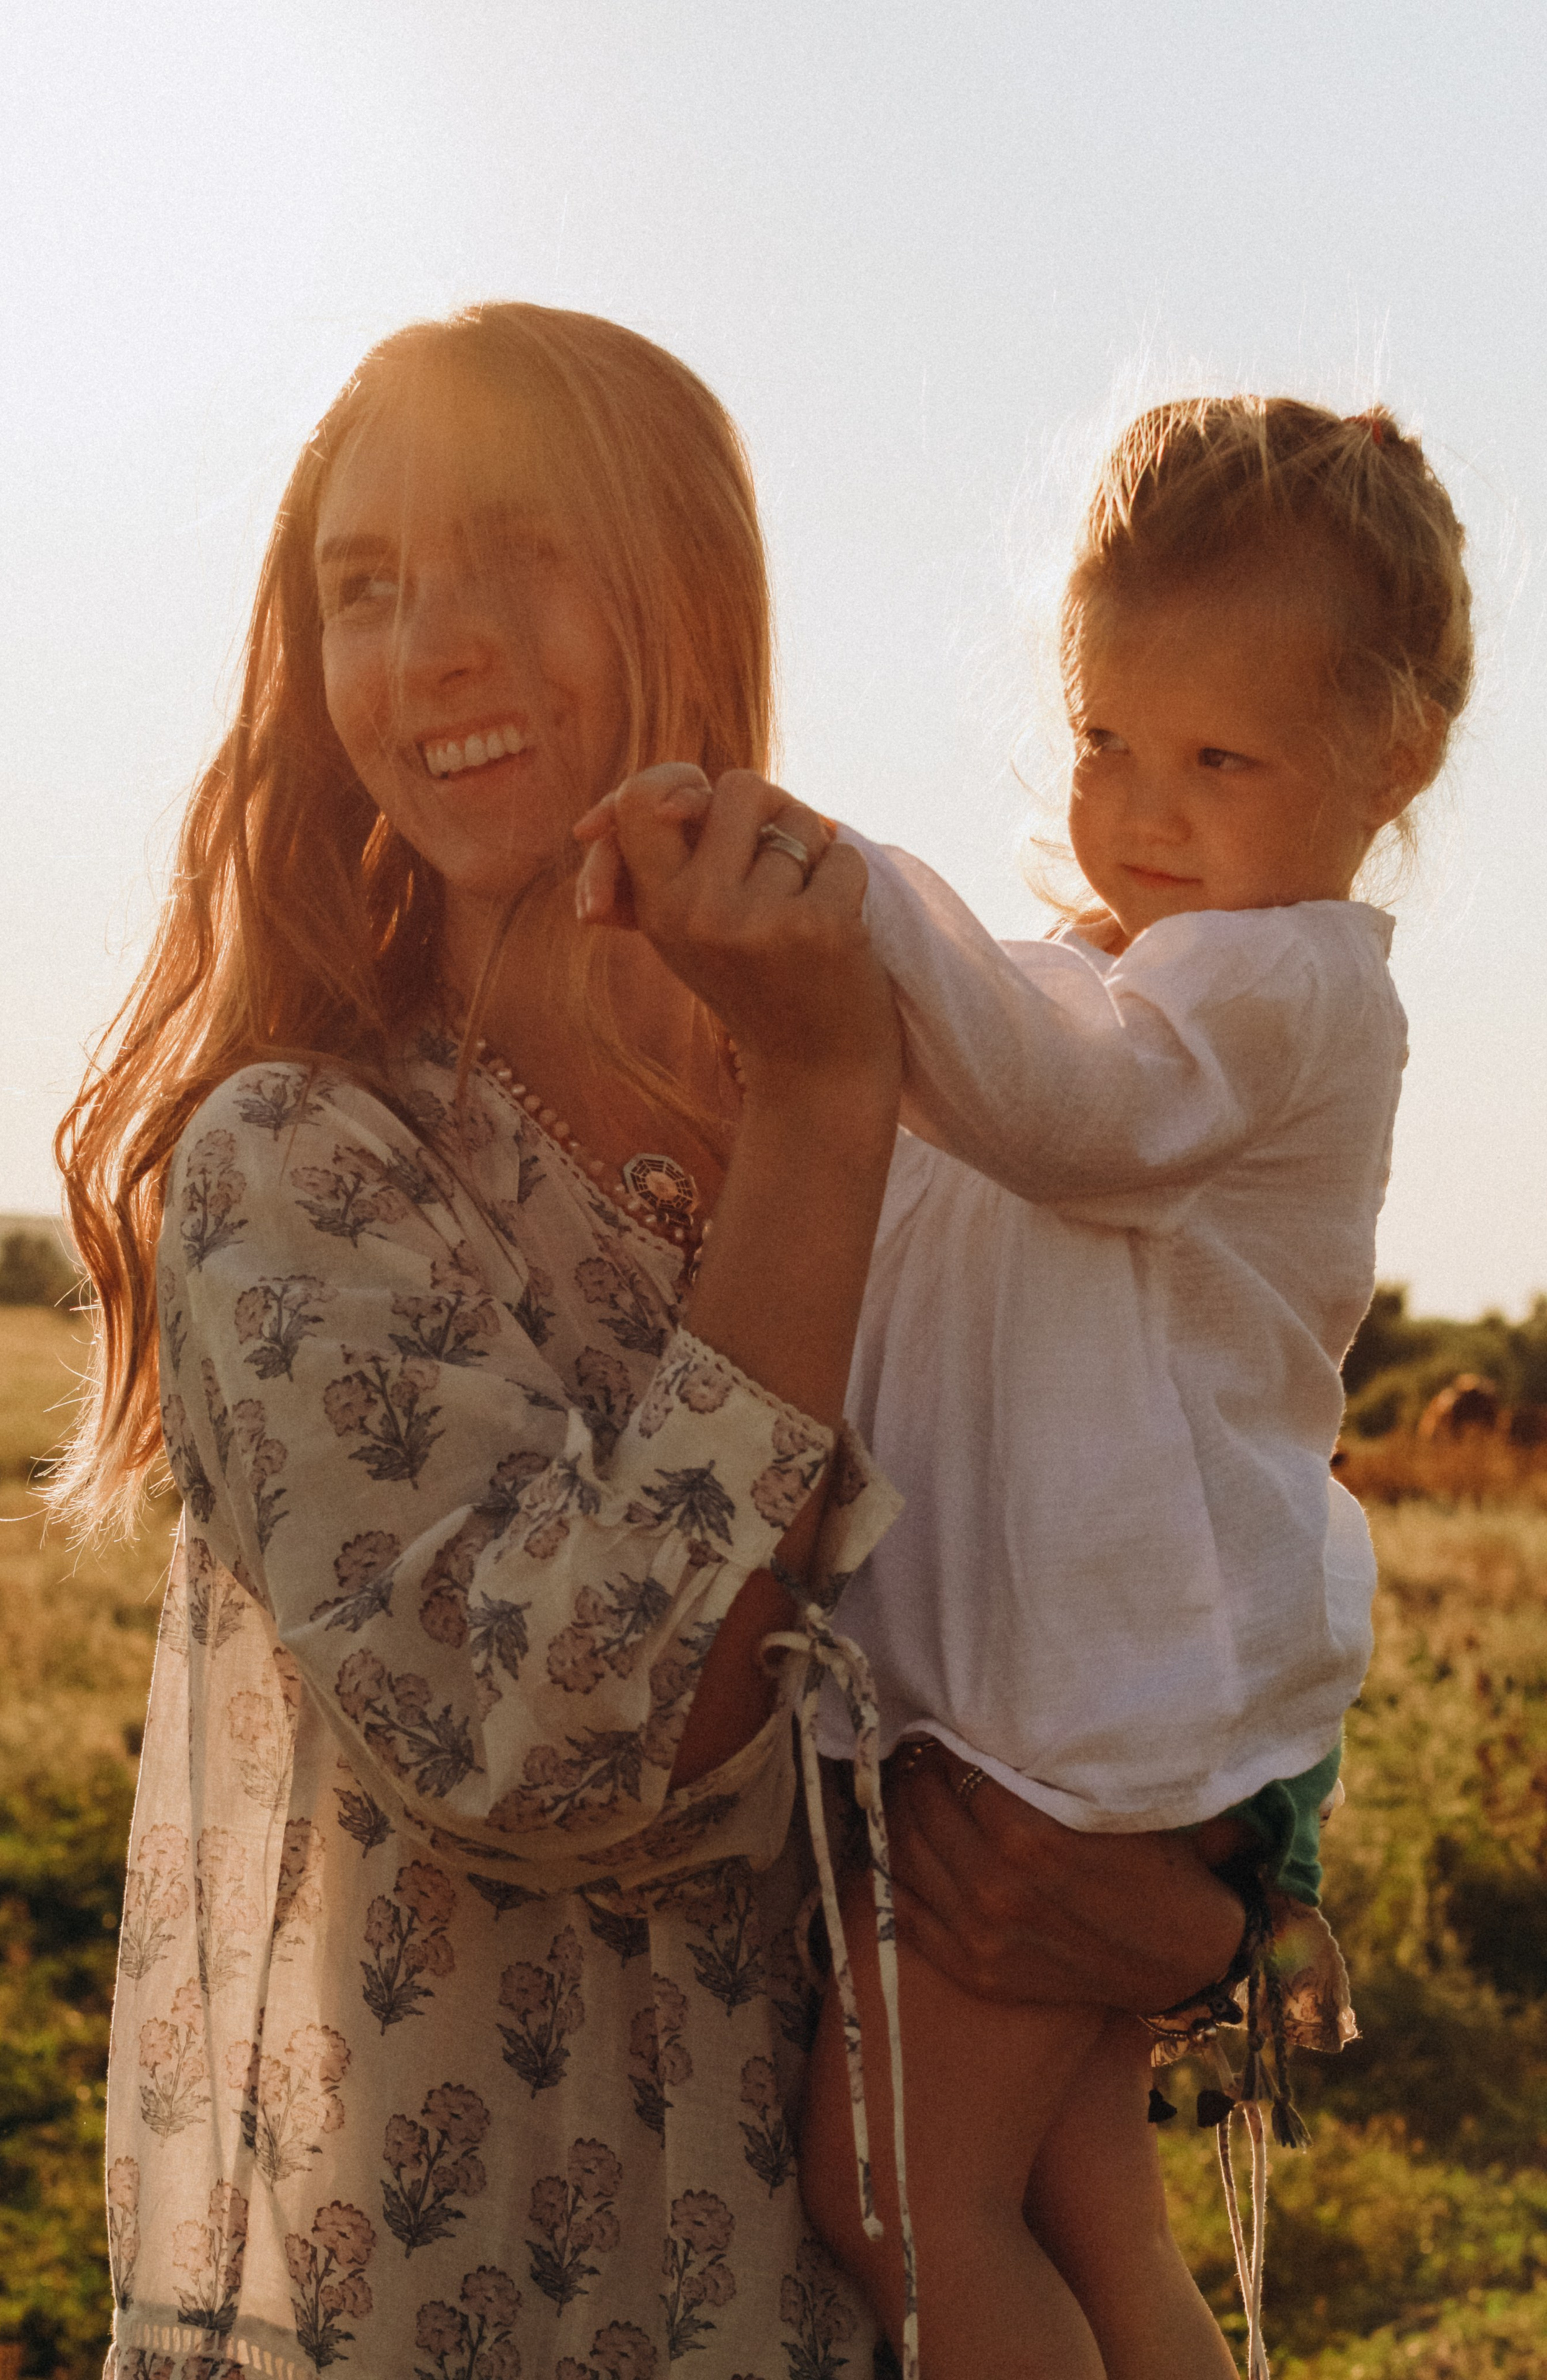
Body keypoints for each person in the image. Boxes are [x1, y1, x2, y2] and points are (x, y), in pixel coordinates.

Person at [56, 306, 1248, 2380]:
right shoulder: (302, 1165)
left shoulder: (961, 1136)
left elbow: (1191, 1583)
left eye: (516, 554)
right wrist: (819, 1111)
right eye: (364, 588)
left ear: (687, 593)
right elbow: (556, 1745)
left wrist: (1213, 1923)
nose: (431, 646)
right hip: (510, 2302)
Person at [578, 394, 1474, 2378]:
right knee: (1085, 2213)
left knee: (902, 2205)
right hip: (1060, 1697)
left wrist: (843, 893)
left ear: (1394, 757)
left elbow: (1071, 1120)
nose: (1142, 808)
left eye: (1220, 759)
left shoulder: (1283, 986)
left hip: (1094, 1703)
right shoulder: (1116, 977)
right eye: (1101, 740)